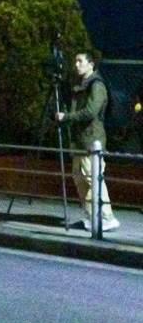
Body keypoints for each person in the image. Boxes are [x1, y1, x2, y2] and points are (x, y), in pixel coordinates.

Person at [59, 51, 119, 232]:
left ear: (91, 64)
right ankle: (91, 215)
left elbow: (91, 111)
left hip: (92, 139)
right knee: (79, 177)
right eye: (75, 61)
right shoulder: (80, 84)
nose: (76, 64)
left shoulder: (96, 85)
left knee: (93, 178)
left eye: (80, 61)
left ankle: (107, 217)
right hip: (79, 138)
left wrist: (67, 117)